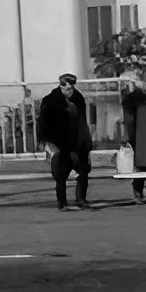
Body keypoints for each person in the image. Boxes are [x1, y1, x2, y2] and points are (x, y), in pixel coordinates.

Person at [37, 73, 94, 210]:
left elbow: (83, 122)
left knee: (83, 171)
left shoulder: (78, 98)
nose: (71, 91)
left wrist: (87, 142)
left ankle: (81, 199)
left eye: (72, 88)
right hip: (59, 143)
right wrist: (45, 142)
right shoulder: (50, 101)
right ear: (61, 86)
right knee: (60, 174)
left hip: (78, 142)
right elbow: (43, 122)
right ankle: (62, 203)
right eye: (68, 89)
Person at [119, 72, 146, 203]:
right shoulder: (140, 96)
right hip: (142, 134)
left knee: (145, 166)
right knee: (145, 166)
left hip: (145, 134)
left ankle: (144, 194)